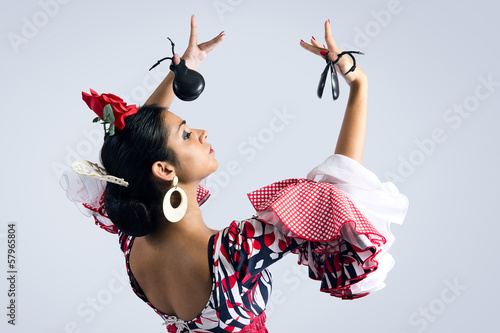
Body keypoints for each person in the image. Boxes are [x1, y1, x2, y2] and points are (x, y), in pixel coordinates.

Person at [63, 16, 408, 333]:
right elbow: (337, 190)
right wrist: (359, 85)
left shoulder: (131, 236)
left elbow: (133, 151)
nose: (202, 133)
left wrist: (184, 70)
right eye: (185, 134)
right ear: (164, 169)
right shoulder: (236, 251)